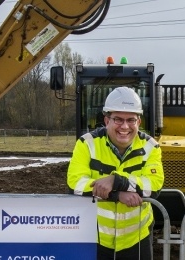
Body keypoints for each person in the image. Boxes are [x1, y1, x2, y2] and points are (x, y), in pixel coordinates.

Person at [67, 86, 164, 260]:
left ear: (139, 122)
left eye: (131, 120)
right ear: (106, 120)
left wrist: (117, 180)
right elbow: (76, 184)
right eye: (118, 119)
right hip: (96, 238)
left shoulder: (151, 147)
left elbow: (153, 185)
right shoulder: (86, 144)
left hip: (137, 238)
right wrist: (118, 194)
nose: (125, 126)